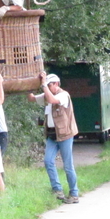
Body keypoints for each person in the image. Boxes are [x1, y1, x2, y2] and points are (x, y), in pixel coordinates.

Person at [28, 72, 80, 204]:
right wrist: (29, 85)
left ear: (56, 84)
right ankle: (57, 190)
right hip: (52, 134)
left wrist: (44, 85)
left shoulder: (64, 95)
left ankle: (74, 193)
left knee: (68, 165)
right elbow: (32, 98)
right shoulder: (47, 94)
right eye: (47, 85)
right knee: (48, 161)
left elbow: (52, 100)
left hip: (65, 134)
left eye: (49, 85)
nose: (47, 88)